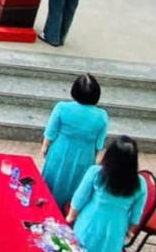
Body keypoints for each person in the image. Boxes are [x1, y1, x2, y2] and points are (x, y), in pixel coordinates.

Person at [67, 136, 149, 252]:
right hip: (116, 229)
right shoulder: (140, 183)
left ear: (110, 155)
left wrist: (71, 217)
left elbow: (79, 198)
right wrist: (128, 230)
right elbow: (135, 216)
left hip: (90, 222)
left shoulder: (96, 173)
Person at [39, 74, 108, 206]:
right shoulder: (102, 116)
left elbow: (51, 131)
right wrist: (94, 158)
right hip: (85, 155)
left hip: (60, 151)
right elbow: (99, 143)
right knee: (77, 185)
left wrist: (45, 146)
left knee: (52, 181)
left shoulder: (62, 107)